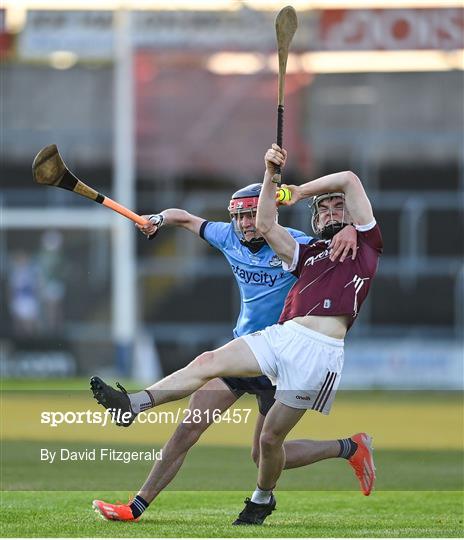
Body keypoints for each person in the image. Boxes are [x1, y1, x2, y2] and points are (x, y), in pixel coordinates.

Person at [91, 145, 381, 525]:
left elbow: (347, 187)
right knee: (192, 413)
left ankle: (340, 452)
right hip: (261, 346)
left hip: (304, 354)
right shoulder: (301, 249)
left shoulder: (342, 242)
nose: (246, 224)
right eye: (239, 217)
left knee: (266, 452)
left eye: (337, 210)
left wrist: (311, 202)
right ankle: (136, 460)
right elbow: (247, 222)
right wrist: (161, 218)